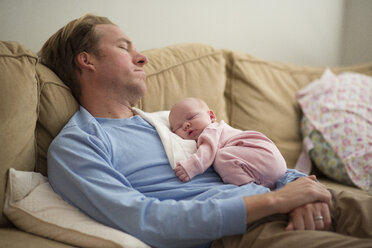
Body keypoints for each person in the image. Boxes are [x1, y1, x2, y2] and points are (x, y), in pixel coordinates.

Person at [40, 14, 372, 248]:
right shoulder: (78, 144)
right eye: (124, 48)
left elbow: (253, 155)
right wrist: (275, 202)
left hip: (296, 197)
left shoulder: (168, 122)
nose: (142, 57)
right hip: (242, 232)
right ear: (87, 61)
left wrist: (299, 188)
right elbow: (147, 220)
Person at [169, 97, 287, 188]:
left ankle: (247, 188)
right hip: (275, 166)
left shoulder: (211, 129)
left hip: (262, 153)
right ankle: (259, 186)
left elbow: (207, 150)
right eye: (178, 126)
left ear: (211, 116)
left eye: (191, 117)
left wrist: (191, 166)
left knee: (221, 156)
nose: (186, 125)